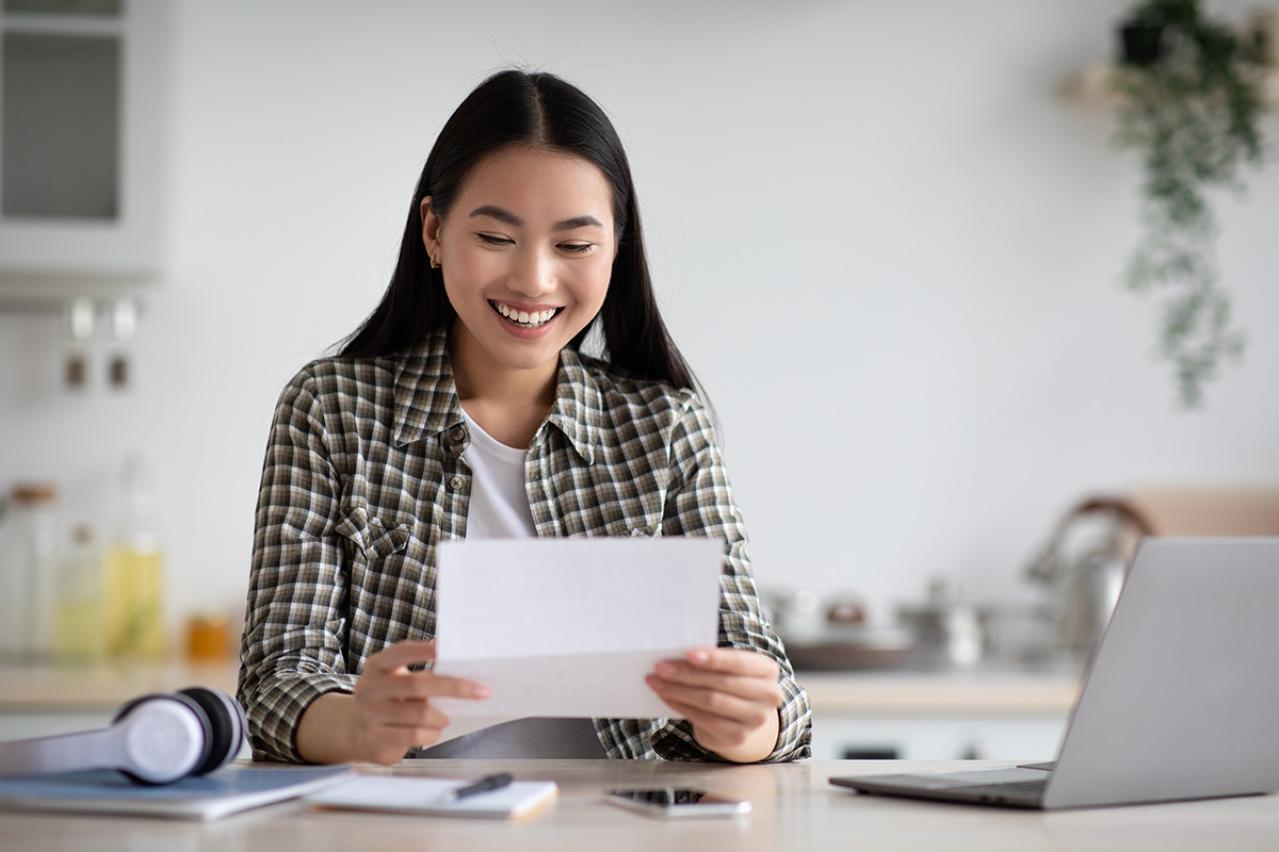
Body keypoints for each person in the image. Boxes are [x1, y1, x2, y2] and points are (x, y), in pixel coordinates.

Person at [237, 69, 812, 765]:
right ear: (434, 231)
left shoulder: (667, 427)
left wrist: (746, 725)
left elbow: (769, 687)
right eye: (495, 237)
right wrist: (357, 721)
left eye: (573, 245)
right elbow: (275, 682)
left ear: (615, 254)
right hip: (401, 827)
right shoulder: (330, 409)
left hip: (621, 826)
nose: (533, 280)